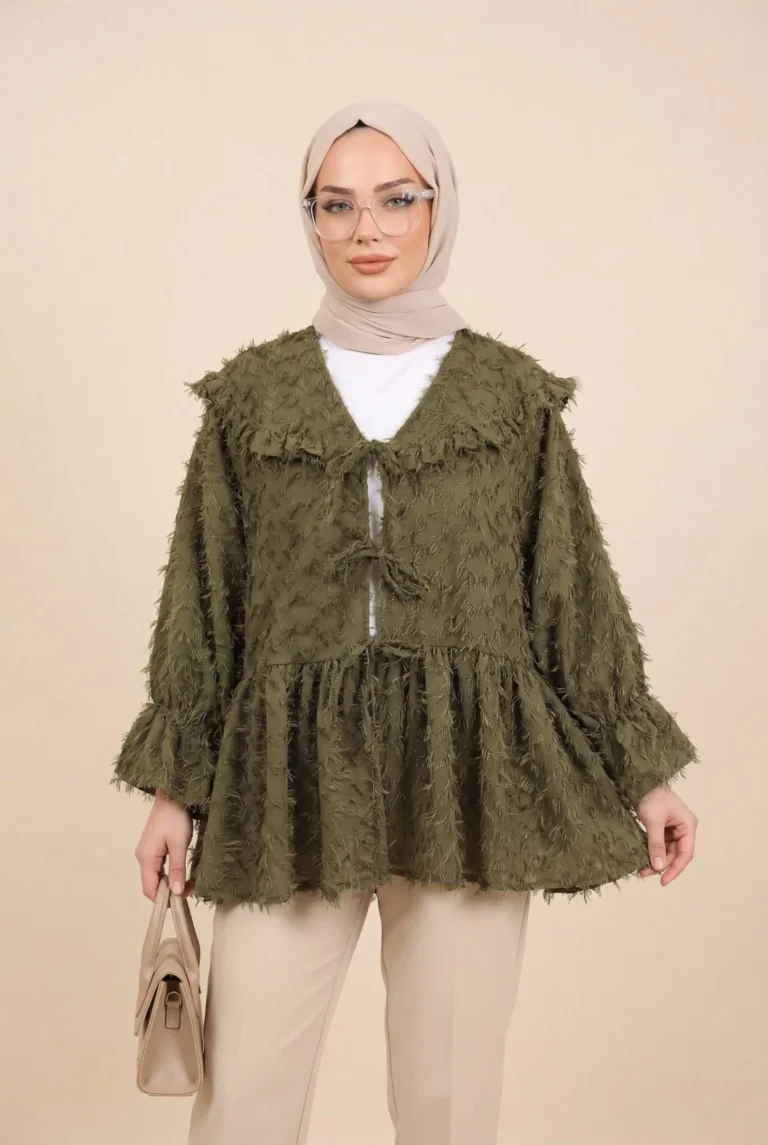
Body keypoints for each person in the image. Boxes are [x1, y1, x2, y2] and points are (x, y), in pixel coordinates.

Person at [111, 100, 700, 1145]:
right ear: (310, 219)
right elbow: (204, 593)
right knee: (242, 1096)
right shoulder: (251, 398)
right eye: (336, 205)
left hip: (469, 775)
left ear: (438, 207)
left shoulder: (511, 397)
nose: (367, 229)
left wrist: (642, 771)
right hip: (288, 779)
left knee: (449, 1104)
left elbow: (570, 590)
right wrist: (174, 789)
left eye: (396, 199)